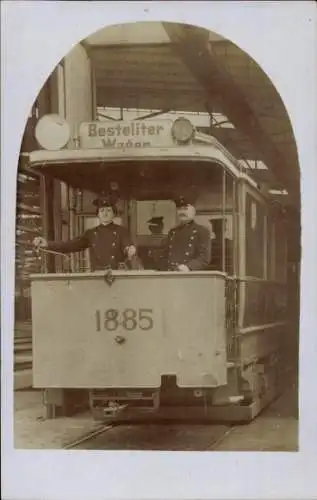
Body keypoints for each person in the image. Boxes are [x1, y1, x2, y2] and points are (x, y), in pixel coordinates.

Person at [33, 194, 137, 271]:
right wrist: (48, 243)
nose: (105, 213)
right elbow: (71, 245)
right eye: (102, 211)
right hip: (97, 276)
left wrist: (130, 249)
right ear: (98, 215)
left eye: (108, 210)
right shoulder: (91, 233)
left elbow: (127, 244)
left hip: (118, 276)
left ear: (114, 214)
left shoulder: (122, 231)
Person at [161, 196, 211, 271]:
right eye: (179, 209)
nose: (182, 212)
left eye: (185, 209)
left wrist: (188, 267)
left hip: (189, 275)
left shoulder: (202, 231)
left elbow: (204, 258)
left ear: (193, 211)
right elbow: (165, 256)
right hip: (170, 274)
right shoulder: (172, 232)